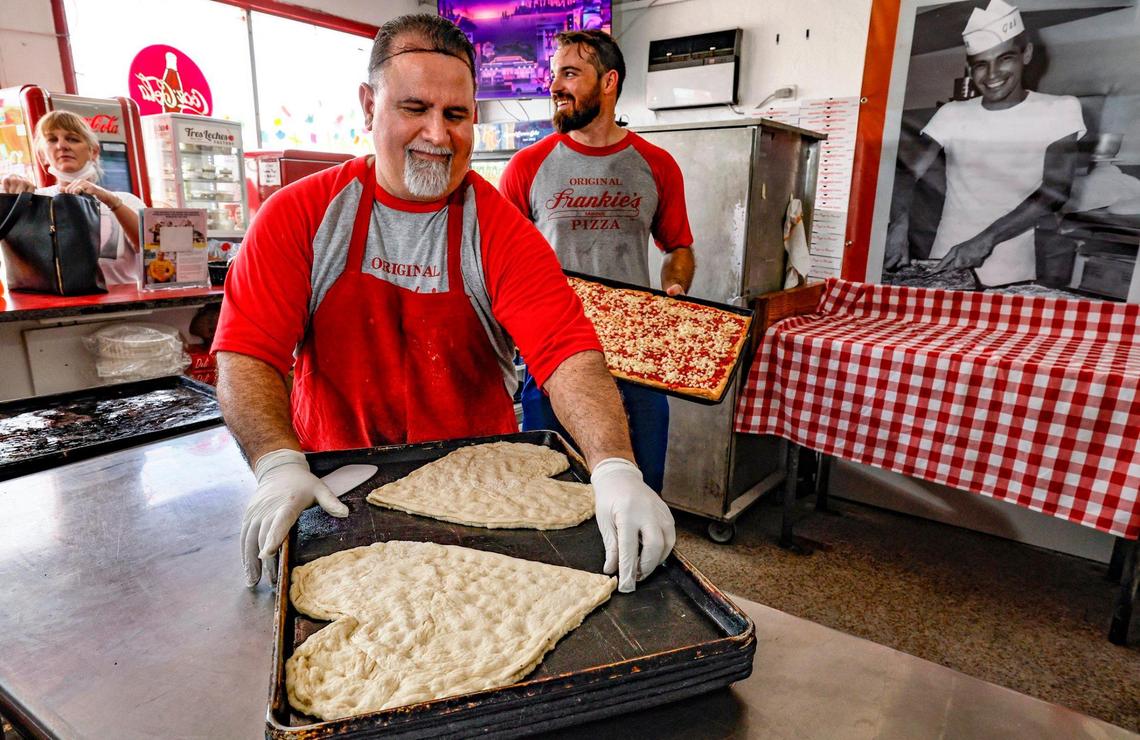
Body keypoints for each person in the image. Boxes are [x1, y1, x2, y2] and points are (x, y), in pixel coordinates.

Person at [214, 14, 674, 593]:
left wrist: (613, 466)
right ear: (368, 105)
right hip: (334, 486)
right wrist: (278, 464)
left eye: (456, 115)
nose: (438, 133)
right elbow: (247, 353)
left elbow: (566, 353)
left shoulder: (502, 231)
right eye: (415, 109)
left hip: (483, 490)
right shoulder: (301, 216)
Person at [498, 29, 695, 494]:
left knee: (640, 489)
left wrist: (677, 288)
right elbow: (500, 261)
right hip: (553, 355)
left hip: (635, 353)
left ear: (608, 82)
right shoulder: (528, 166)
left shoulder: (656, 164)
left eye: (570, 73)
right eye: (554, 74)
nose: (555, 86)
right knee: (546, 490)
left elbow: (678, 248)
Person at [883, 0, 1085, 288]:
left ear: (1025, 54)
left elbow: (1054, 191)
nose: (992, 75)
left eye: (1005, 59)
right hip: (944, 262)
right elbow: (906, 172)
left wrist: (985, 240)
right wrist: (898, 223)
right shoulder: (952, 114)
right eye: (981, 64)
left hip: (1013, 270)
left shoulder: (1060, 110)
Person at [1, 110, 145, 285]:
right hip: (53, 310)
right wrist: (10, 198)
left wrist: (112, 201)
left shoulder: (124, 201)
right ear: (42, 155)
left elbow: (153, 250)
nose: (62, 146)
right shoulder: (34, 201)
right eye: (52, 140)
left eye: (72, 139)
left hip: (120, 308)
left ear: (94, 151)